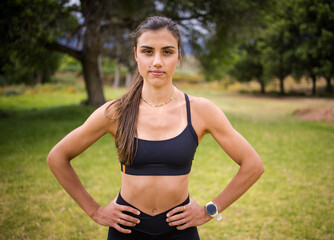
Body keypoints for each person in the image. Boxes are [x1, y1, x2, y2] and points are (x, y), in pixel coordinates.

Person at [47, 16, 264, 240]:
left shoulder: (200, 110)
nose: (157, 61)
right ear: (135, 55)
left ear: (178, 55)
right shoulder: (115, 112)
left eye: (167, 52)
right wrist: (95, 211)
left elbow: (253, 165)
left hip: (180, 231)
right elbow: (58, 157)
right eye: (148, 51)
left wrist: (210, 210)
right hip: (126, 230)